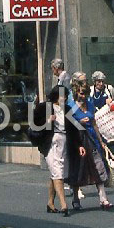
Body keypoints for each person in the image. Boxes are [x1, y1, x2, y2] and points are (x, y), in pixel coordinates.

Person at [66, 74, 113, 210]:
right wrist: (78, 122)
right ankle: (75, 199)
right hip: (78, 140)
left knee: (98, 166)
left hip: (91, 139)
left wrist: (101, 141)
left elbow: (94, 123)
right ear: (76, 92)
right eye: (81, 93)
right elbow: (67, 123)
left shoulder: (90, 104)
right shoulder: (71, 106)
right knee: (78, 169)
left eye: (85, 94)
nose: (83, 97)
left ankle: (103, 199)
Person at [41, 85, 69, 216]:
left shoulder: (66, 110)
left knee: (55, 172)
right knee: (58, 172)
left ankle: (50, 203)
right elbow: (36, 125)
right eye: (62, 95)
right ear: (56, 96)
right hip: (50, 143)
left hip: (63, 142)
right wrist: (48, 121)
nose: (65, 98)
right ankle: (64, 204)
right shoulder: (47, 108)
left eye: (66, 95)